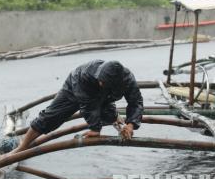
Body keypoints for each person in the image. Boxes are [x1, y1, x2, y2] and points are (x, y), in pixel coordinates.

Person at [9, 59, 143, 155]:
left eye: (104, 82)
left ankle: (114, 117)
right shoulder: (87, 75)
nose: (100, 83)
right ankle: (22, 148)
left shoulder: (127, 80)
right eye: (100, 80)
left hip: (105, 96)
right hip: (75, 88)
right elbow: (88, 105)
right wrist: (95, 129)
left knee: (108, 115)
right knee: (49, 118)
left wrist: (131, 124)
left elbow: (136, 101)